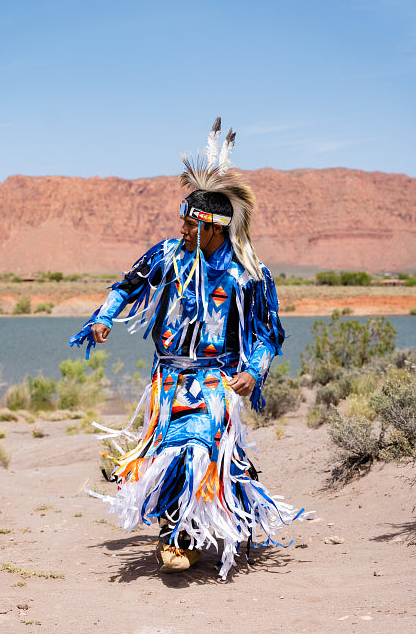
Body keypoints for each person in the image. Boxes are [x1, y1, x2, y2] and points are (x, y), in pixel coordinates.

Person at [70, 118, 303, 579]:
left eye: (189, 221)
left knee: (199, 450)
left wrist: (254, 372)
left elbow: (264, 334)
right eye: (181, 218)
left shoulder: (248, 274)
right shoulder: (167, 255)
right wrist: (101, 318)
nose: (180, 227)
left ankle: (188, 537)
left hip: (215, 380)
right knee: (166, 456)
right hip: (168, 377)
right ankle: (177, 530)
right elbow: (126, 286)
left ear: (213, 227)